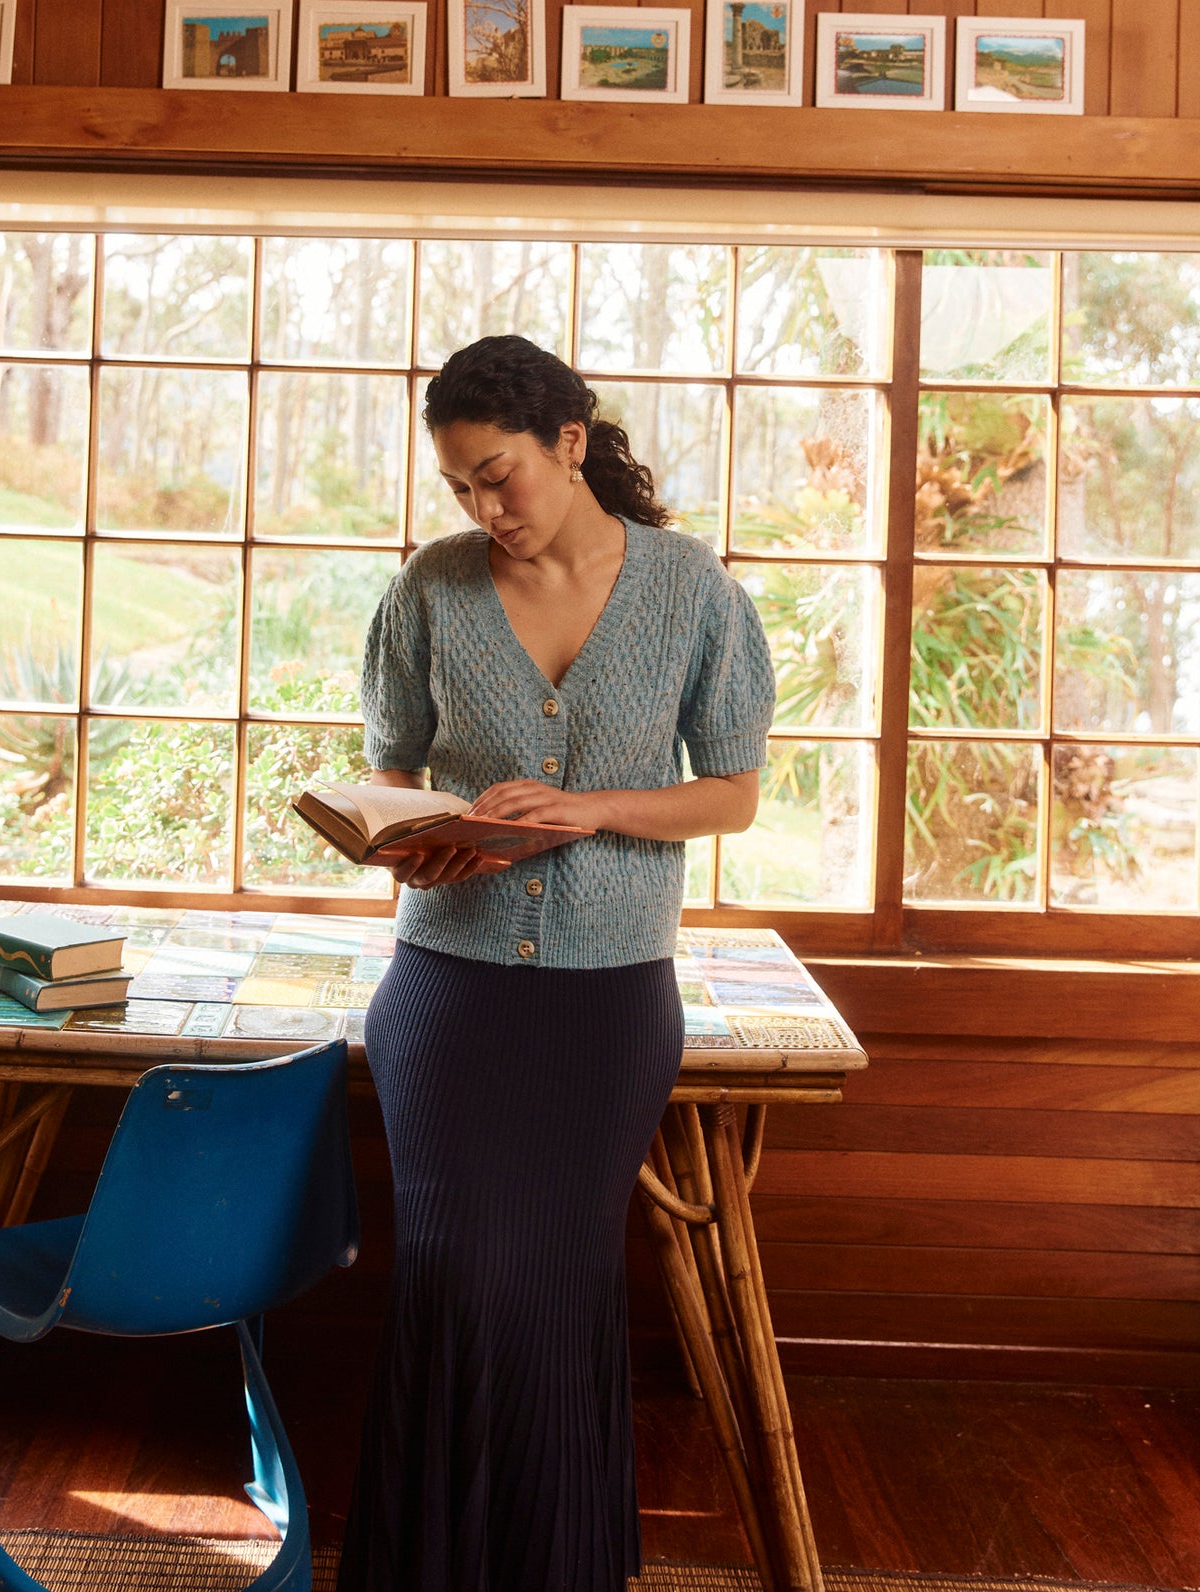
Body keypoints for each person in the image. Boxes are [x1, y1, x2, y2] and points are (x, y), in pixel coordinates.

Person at [338, 334, 774, 1592]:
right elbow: (391, 773)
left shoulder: (693, 592)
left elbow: (732, 796)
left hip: (604, 1004)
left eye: (499, 477)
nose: (483, 509)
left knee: (554, 1286)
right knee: (458, 1278)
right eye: (460, 486)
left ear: (568, 443)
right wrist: (408, 842)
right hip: (449, 994)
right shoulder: (428, 588)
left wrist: (591, 808)